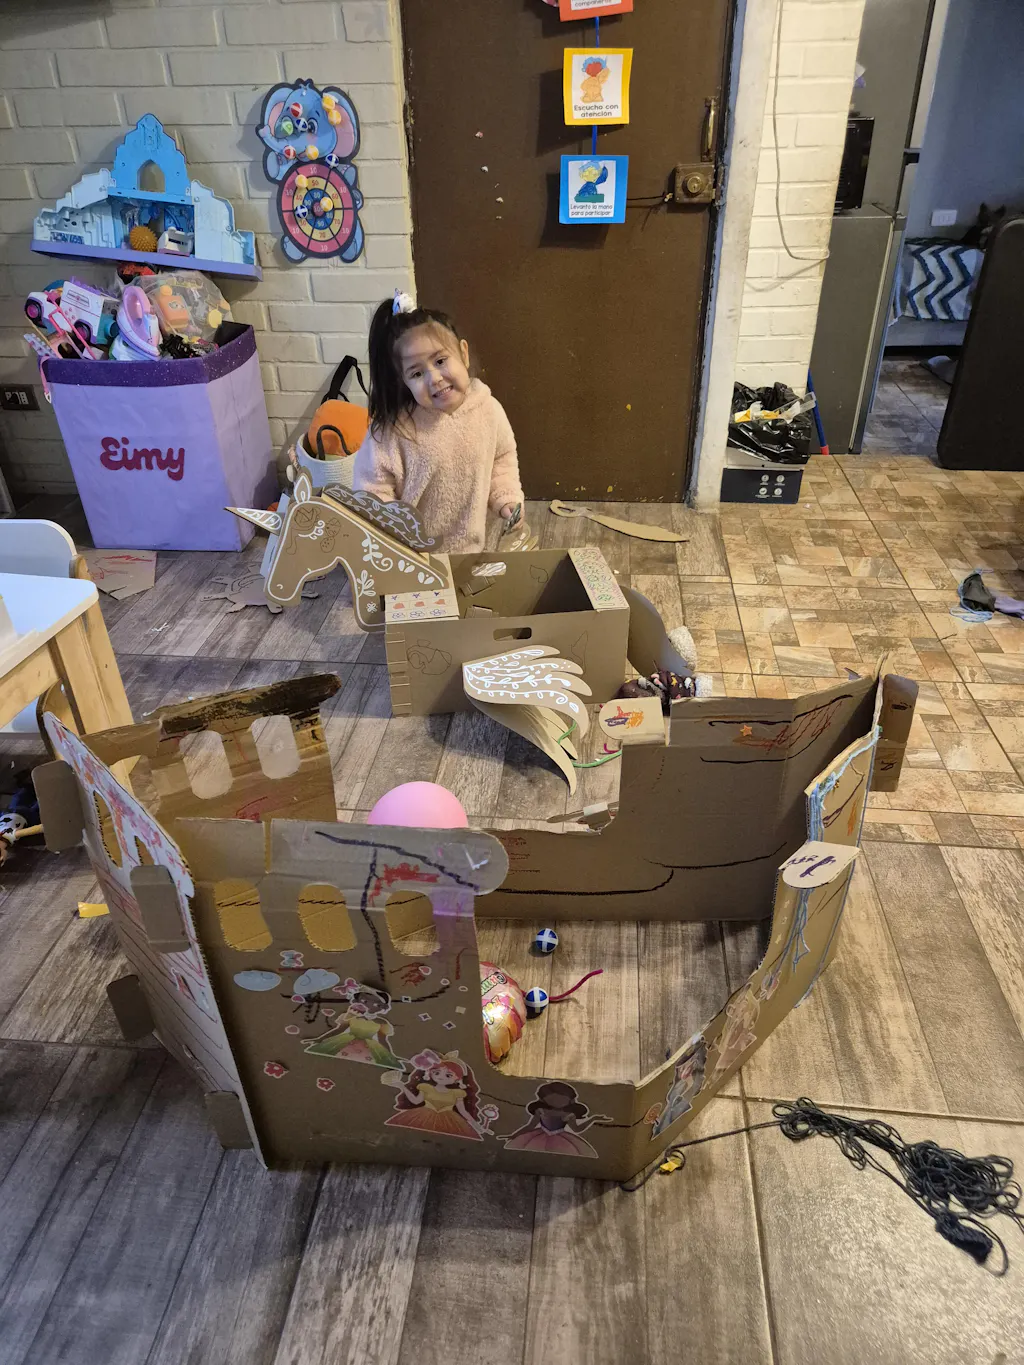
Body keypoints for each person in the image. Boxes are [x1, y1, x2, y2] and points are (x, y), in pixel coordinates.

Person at [352, 292, 525, 553]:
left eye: (441, 361)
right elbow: (372, 491)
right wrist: (391, 530)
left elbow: (502, 460)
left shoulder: (488, 410)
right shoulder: (393, 430)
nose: (434, 378)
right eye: (417, 373)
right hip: (411, 558)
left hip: (474, 554)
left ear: (463, 353)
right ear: (403, 380)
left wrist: (506, 497)